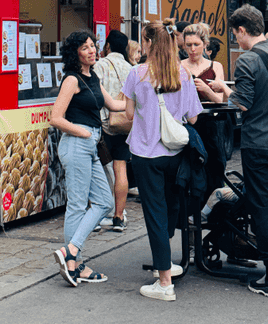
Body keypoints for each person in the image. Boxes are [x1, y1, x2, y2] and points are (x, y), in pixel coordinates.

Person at [211, 4, 268, 299]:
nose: (236, 39)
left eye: (235, 34)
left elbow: (243, 104)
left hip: (258, 145)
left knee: (262, 209)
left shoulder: (246, 60)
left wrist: (223, 91)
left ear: (241, 30)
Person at [122, 19, 202, 302]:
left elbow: (129, 114)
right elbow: (193, 117)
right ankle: (165, 262)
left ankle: (165, 281)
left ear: (148, 43)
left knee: (154, 214)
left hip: (145, 153)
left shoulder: (137, 73)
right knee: (170, 208)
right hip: (176, 152)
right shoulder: (183, 74)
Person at [51, 30, 125, 287]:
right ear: (76, 54)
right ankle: (75, 263)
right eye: (85, 48)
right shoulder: (72, 79)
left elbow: (115, 105)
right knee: (78, 205)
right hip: (77, 143)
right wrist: (82, 131)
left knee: (104, 201)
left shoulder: (92, 77)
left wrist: (142, 93)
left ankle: (70, 251)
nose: (92, 50)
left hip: (91, 146)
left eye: (93, 46)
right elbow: (55, 117)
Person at [180, 22, 229, 199]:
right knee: (189, 169)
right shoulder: (179, 65)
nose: (192, 49)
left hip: (210, 124)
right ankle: (190, 212)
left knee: (213, 167)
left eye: (196, 44)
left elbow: (221, 101)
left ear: (205, 44)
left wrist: (206, 90)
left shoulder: (215, 67)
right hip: (186, 124)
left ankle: (213, 210)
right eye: (188, 45)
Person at [94, 29, 132, 232]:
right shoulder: (130, 68)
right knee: (121, 169)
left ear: (107, 45)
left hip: (104, 124)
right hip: (125, 124)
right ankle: (119, 216)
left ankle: (100, 214)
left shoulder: (99, 66)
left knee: (99, 171)